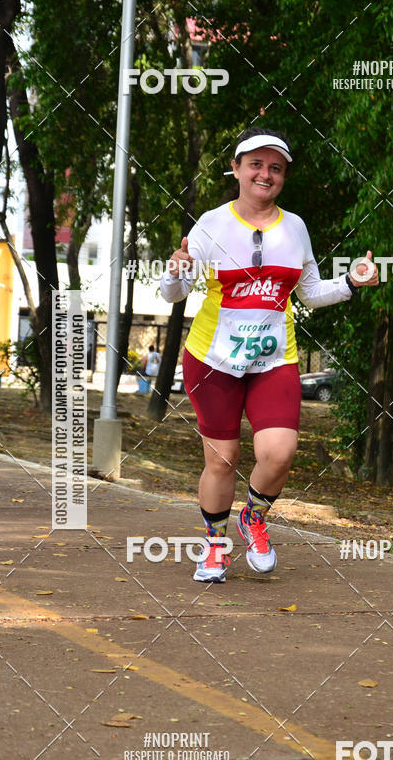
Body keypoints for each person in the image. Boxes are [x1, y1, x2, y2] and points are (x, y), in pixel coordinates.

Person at [160, 126, 378, 583]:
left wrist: (352, 283)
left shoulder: (294, 227)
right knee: (221, 460)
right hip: (212, 360)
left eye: (275, 168)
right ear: (236, 169)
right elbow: (174, 294)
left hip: (273, 359)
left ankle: (253, 518)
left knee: (279, 453)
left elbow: (311, 292)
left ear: (283, 177)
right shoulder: (212, 224)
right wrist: (175, 272)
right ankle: (215, 546)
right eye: (255, 164)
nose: (265, 174)